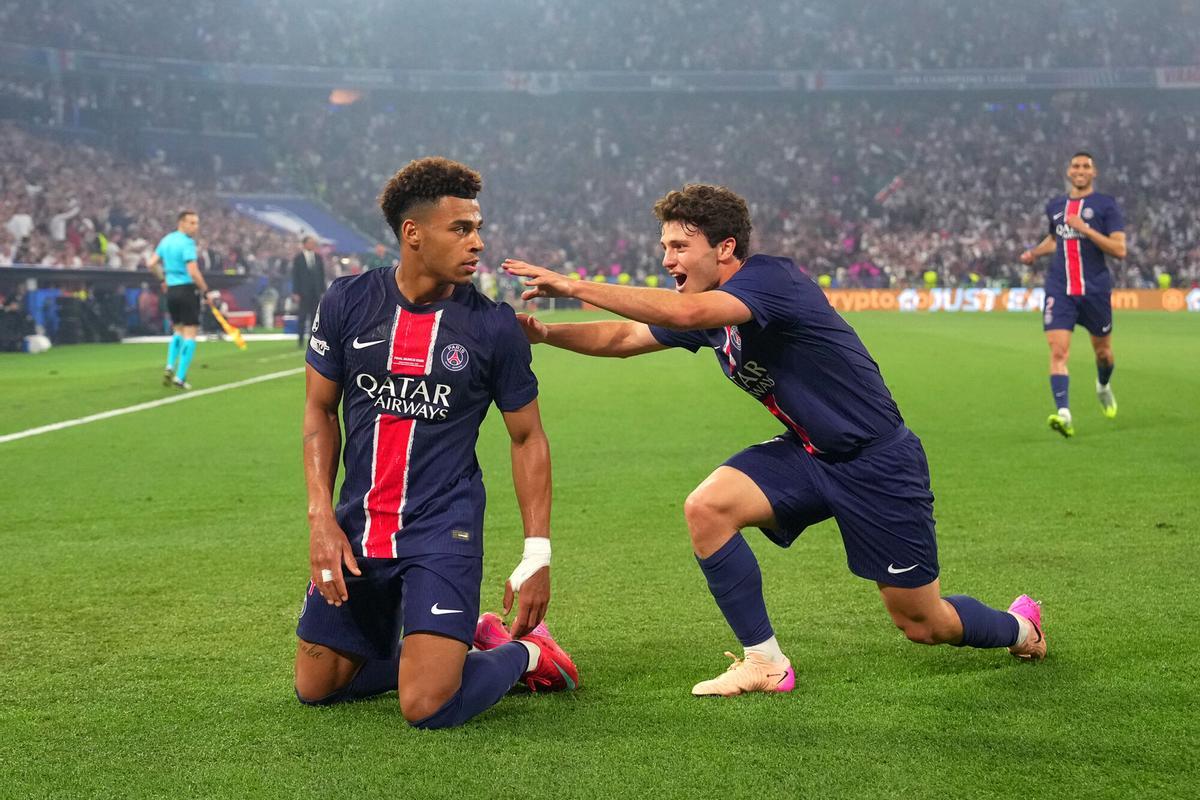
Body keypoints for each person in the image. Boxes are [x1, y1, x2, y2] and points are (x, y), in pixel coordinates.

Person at [504, 183, 1045, 698]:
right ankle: (764, 662)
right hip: (809, 452)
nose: (667, 259)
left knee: (925, 624)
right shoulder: (706, 299)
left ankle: (1019, 628)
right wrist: (547, 334)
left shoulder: (769, 280)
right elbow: (625, 337)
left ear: (726, 248)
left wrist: (574, 285)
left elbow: (689, 314)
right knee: (708, 508)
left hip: (876, 462)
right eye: (664, 245)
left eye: (679, 246)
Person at [295, 157, 579, 729]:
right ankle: (440, 652)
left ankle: (526, 653)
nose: (478, 242)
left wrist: (537, 554)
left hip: (442, 526)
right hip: (359, 524)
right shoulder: (347, 302)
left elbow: (528, 438)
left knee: (427, 706)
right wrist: (321, 519)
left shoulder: (493, 327)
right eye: (461, 229)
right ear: (413, 234)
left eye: (477, 227)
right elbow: (320, 411)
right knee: (316, 688)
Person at [1020, 152, 1127, 438]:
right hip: (1060, 288)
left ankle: (1103, 386)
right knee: (1058, 351)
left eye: (1086, 166)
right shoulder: (1055, 206)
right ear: (1068, 171)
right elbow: (1056, 239)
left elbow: (1119, 249)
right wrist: (1034, 252)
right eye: (1076, 166)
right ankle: (1064, 414)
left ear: (1094, 173)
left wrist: (1086, 229)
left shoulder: (1106, 205)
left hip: (1094, 289)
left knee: (1103, 353)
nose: (1080, 170)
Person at [146, 210, 217, 390]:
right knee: (191, 332)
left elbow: (151, 263)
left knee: (177, 330)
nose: (196, 227)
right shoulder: (187, 243)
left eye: (197, 223)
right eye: (192, 223)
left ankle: (170, 365)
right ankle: (180, 376)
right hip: (186, 289)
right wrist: (205, 290)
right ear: (182, 223)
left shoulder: (167, 240)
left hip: (171, 290)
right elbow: (193, 271)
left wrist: (162, 280)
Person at [292, 235, 326, 347]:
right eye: (310, 242)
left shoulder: (318, 258)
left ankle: (312, 340)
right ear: (304, 244)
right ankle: (300, 340)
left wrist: (323, 291)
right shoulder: (298, 258)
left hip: (315, 292)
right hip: (303, 293)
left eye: (313, 243)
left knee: (314, 318)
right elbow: (295, 276)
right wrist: (295, 292)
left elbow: (322, 276)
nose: (312, 245)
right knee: (302, 316)